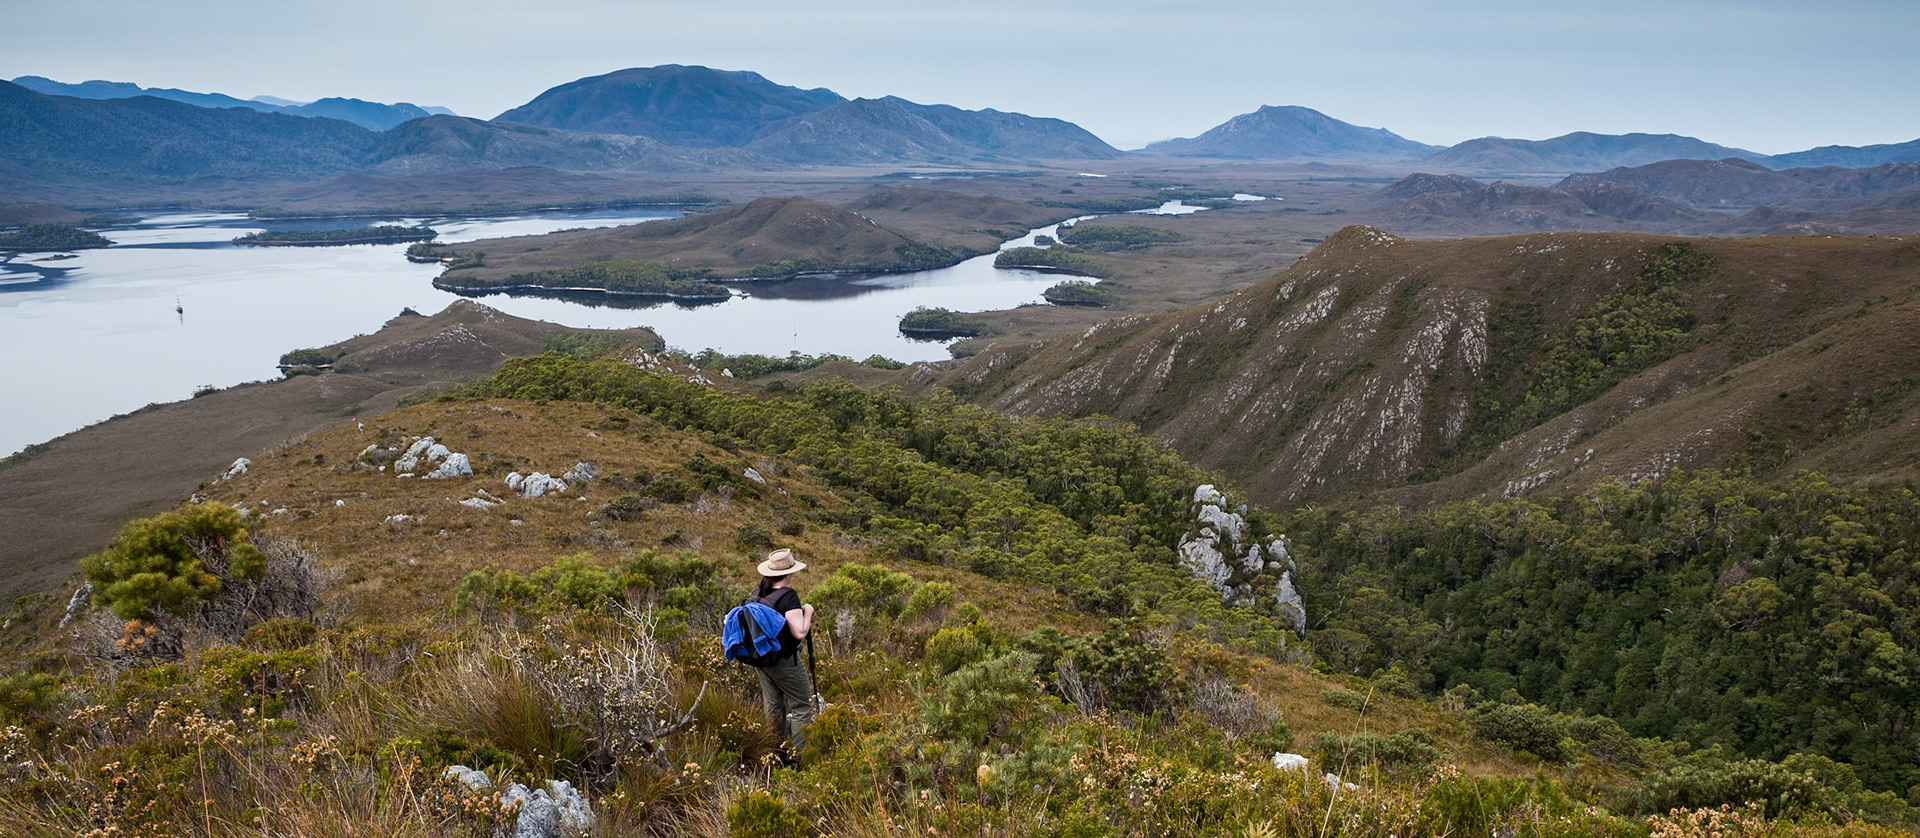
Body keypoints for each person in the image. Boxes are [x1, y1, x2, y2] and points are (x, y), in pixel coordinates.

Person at [752, 547, 815, 764]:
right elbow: (800, 631)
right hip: (784, 661)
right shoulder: (788, 596)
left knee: (773, 707)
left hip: (762, 659)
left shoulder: (758, 592)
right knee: (801, 706)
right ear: (788, 573)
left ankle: (774, 755)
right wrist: (808, 611)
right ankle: (800, 759)